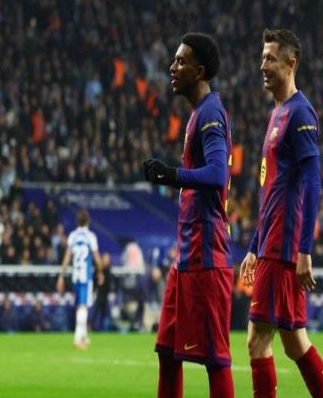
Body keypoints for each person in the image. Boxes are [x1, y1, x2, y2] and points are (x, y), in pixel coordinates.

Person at [240, 29, 323, 398]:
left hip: (284, 248)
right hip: (271, 245)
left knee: (256, 341)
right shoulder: (277, 113)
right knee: (295, 343)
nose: (262, 65)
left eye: (270, 59)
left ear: (291, 64)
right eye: (262, 58)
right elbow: (271, 192)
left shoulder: (300, 113)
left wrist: (304, 250)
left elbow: (313, 183)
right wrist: (254, 246)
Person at [143, 32, 234, 398]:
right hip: (185, 257)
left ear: (199, 71)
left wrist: (172, 175)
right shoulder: (199, 113)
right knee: (167, 353)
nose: (172, 67)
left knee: (216, 360)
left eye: (181, 61)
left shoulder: (211, 112)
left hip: (207, 257)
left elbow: (218, 174)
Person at [56, 210, 103, 349]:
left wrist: (61, 276)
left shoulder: (72, 236)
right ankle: (77, 338)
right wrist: (100, 272)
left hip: (75, 276)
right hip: (86, 276)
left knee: (80, 306)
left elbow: (67, 257)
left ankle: (84, 336)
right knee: (83, 306)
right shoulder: (90, 236)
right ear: (88, 221)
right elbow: (96, 257)